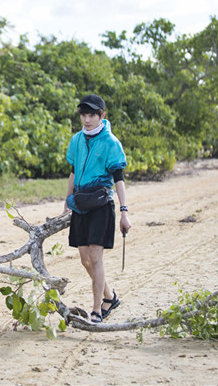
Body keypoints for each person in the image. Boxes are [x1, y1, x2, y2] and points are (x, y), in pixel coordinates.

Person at [63, 94, 132, 323]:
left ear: (102, 115)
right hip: (81, 204)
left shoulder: (111, 142)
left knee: (96, 257)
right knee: (84, 259)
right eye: (83, 114)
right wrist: (66, 202)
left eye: (91, 114)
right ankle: (110, 296)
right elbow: (73, 172)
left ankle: (96, 310)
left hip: (102, 205)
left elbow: (119, 178)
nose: (87, 119)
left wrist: (124, 212)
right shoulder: (76, 140)